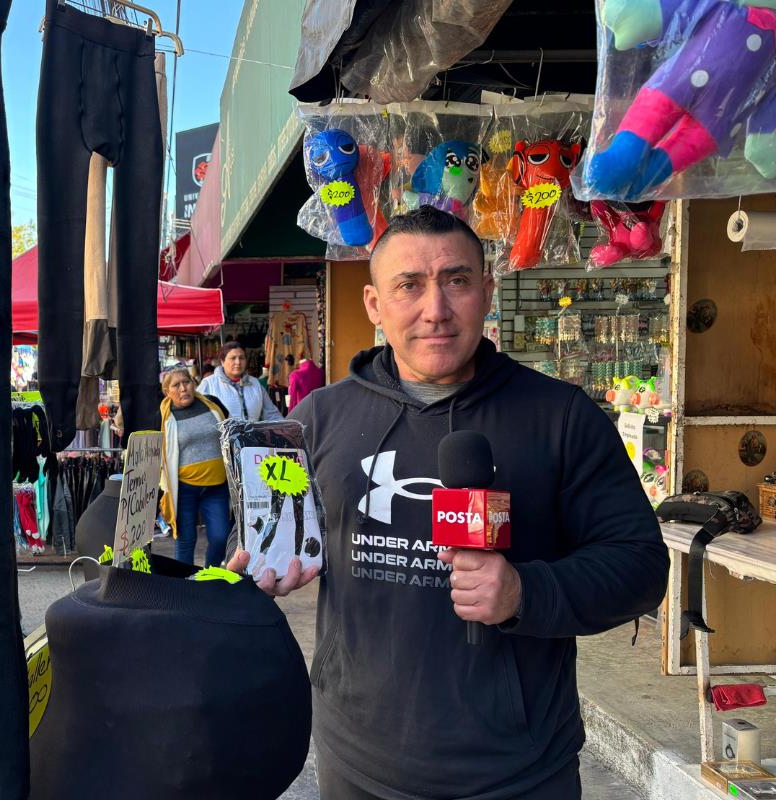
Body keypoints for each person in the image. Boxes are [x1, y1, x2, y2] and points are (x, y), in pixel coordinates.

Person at [229, 207, 669, 800]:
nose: (435, 309)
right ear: (373, 304)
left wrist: (523, 593)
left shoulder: (563, 419)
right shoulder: (317, 420)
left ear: (488, 292)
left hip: (517, 772)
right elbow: (281, 535)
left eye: (457, 281)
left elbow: (641, 567)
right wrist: (267, 563)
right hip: (356, 760)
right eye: (408, 285)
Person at [157, 368, 231, 567]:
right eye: (176, 385)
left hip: (216, 486)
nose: (183, 388)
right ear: (167, 391)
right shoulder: (162, 417)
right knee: (186, 540)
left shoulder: (212, 404)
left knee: (220, 538)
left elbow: (230, 429)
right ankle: (185, 587)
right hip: (184, 490)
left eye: (187, 382)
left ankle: (210, 577)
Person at [197, 342, 283, 421]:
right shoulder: (209, 384)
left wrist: (286, 430)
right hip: (221, 437)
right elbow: (197, 416)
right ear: (222, 362)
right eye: (233, 358)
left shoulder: (255, 384)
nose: (238, 362)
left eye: (241, 358)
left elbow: (272, 414)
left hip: (252, 437)